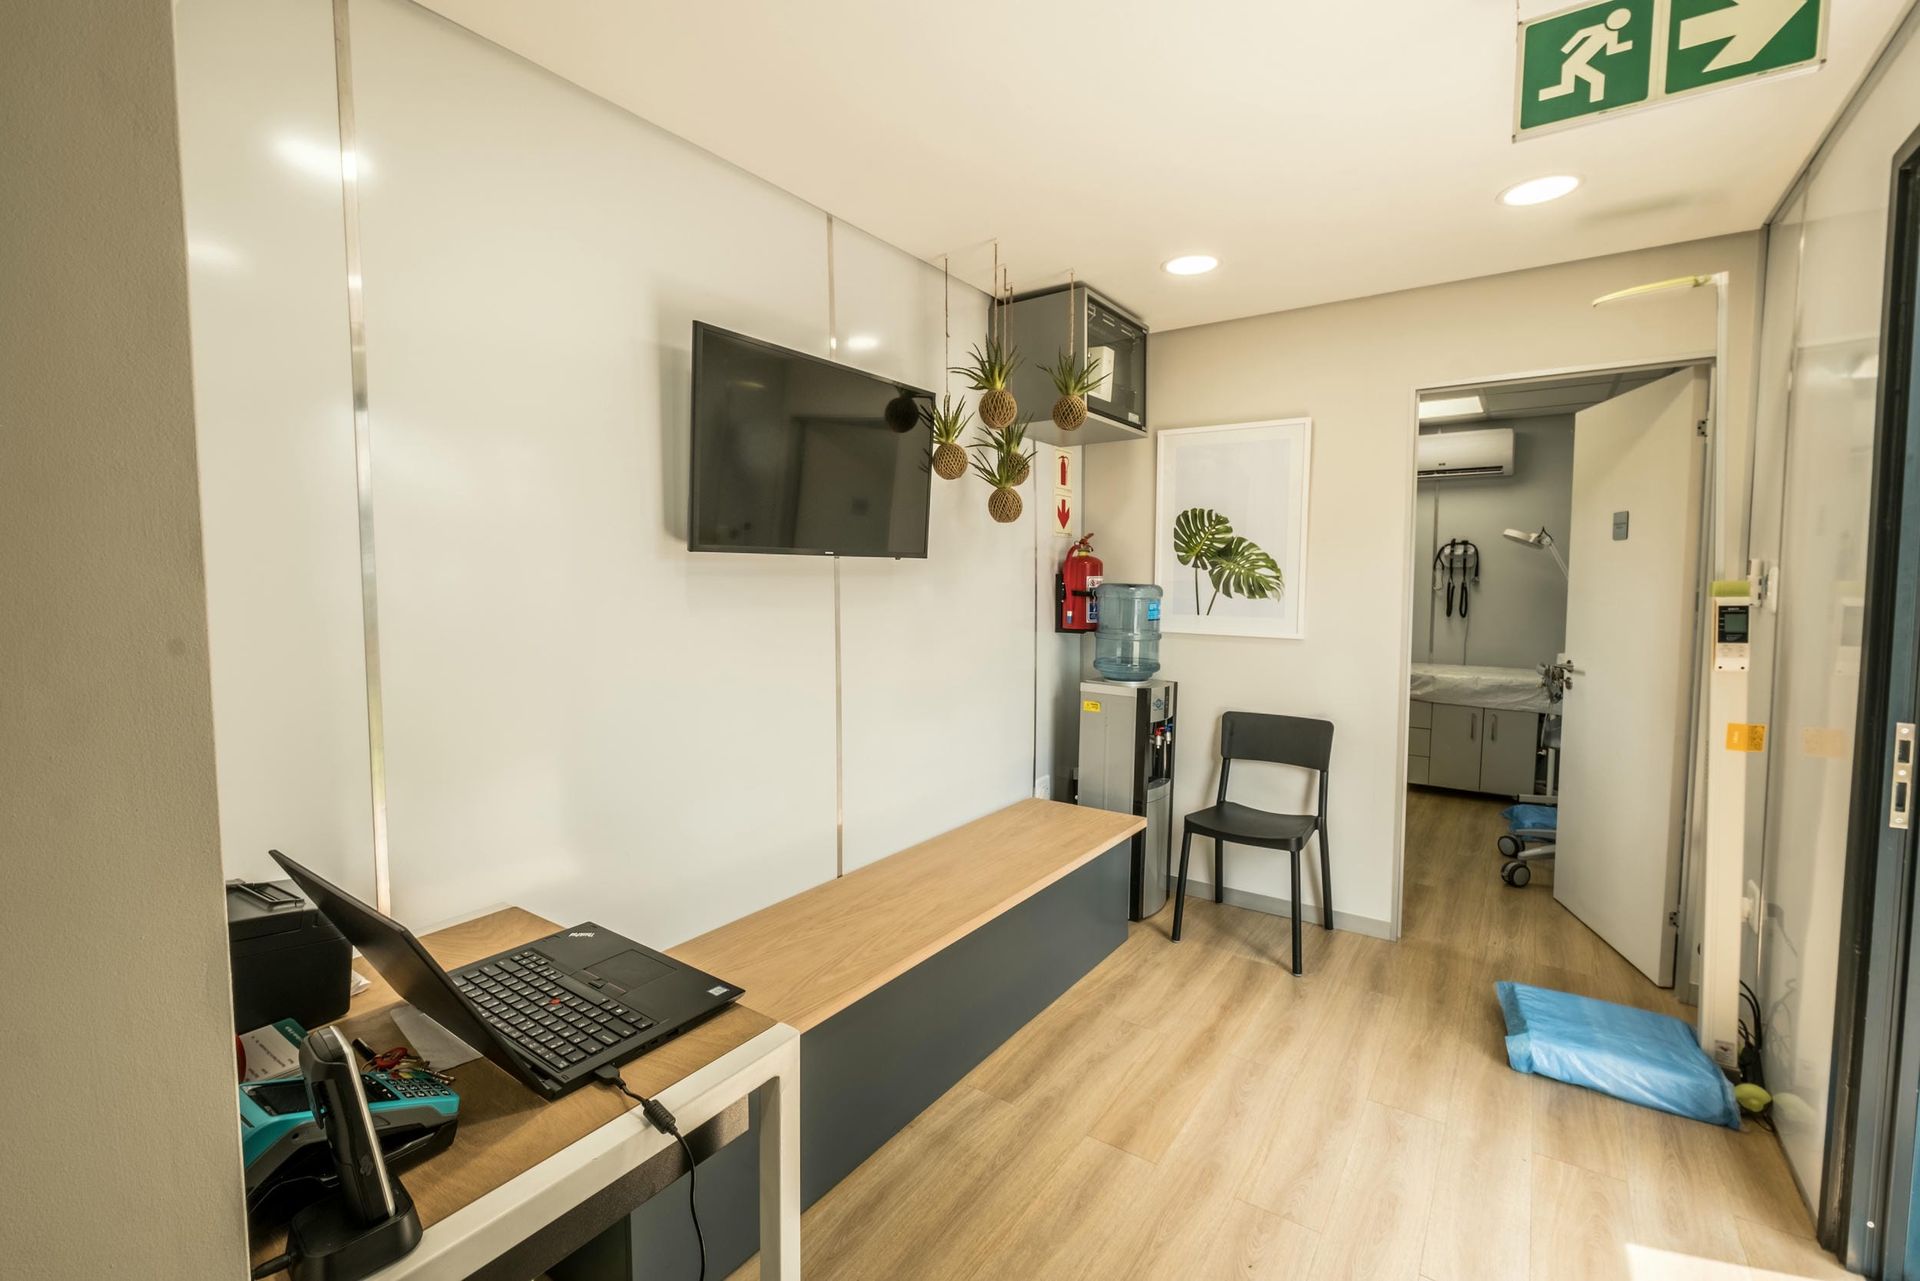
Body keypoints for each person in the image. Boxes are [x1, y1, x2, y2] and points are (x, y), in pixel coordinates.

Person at [1540, 8, 1634, 104]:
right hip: (1572, 64)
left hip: (1575, 64)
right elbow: (1581, 34)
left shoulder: (1613, 35)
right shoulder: (1599, 28)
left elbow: (1612, 50)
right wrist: (1567, 47)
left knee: (1570, 86)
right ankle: (1597, 102)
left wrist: (1629, 44)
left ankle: (1596, 102)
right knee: (1593, 80)